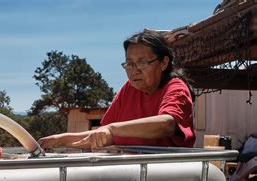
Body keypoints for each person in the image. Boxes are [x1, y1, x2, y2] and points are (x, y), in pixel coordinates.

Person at [38, 29, 195, 151]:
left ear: (163, 63)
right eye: (129, 63)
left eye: (142, 62)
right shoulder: (129, 89)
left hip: (170, 175)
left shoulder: (175, 88)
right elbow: (105, 135)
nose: (134, 70)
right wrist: (60, 140)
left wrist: (111, 129)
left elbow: (166, 124)